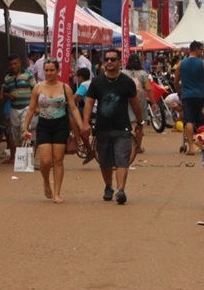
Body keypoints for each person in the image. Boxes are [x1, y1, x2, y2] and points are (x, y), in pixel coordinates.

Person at [82, 48, 144, 205]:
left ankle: (120, 190)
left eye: (113, 59)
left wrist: (140, 121)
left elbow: (135, 104)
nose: (109, 62)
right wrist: (85, 122)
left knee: (122, 158)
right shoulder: (97, 82)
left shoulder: (127, 82)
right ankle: (108, 186)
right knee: (105, 161)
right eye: (107, 59)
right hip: (102, 128)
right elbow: (89, 102)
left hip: (122, 127)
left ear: (119, 62)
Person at [22, 59, 85, 203]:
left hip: (60, 126)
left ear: (58, 71)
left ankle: (57, 192)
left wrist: (81, 126)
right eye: (47, 70)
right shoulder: (38, 88)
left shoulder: (65, 88)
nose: (49, 73)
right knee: (45, 160)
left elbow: (73, 108)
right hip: (44, 125)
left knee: (58, 160)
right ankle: (46, 181)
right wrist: (25, 127)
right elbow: (31, 109)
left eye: (52, 70)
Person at [174, 41, 204, 155]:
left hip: (187, 95)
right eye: (201, 49)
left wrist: (180, 92)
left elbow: (175, 81)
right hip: (200, 95)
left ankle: (190, 147)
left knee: (188, 121)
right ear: (196, 49)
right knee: (201, 121)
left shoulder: (181, 64)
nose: (202, 51)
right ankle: (201, 145)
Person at [1, 54, 36, 163]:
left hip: (27, 107)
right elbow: (4, 92)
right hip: (14, 108)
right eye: (11, 64)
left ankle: (25, 160)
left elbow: (35, 90)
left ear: (20, 63)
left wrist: (36, 106)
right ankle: (21, 156)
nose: (13, 66)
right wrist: (8, 95)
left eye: (15, 63)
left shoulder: (28, 75)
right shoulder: (8, 78)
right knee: (16, 133)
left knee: (24, 130)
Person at [122, 54, 151, 154]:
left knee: (128, 122)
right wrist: (154, 102)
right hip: (140, 99)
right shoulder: (143, 73)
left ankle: (129, 146)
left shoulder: (123, 73)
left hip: (125, 98)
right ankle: (138, 147)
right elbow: (148, 88)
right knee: (140, 122)